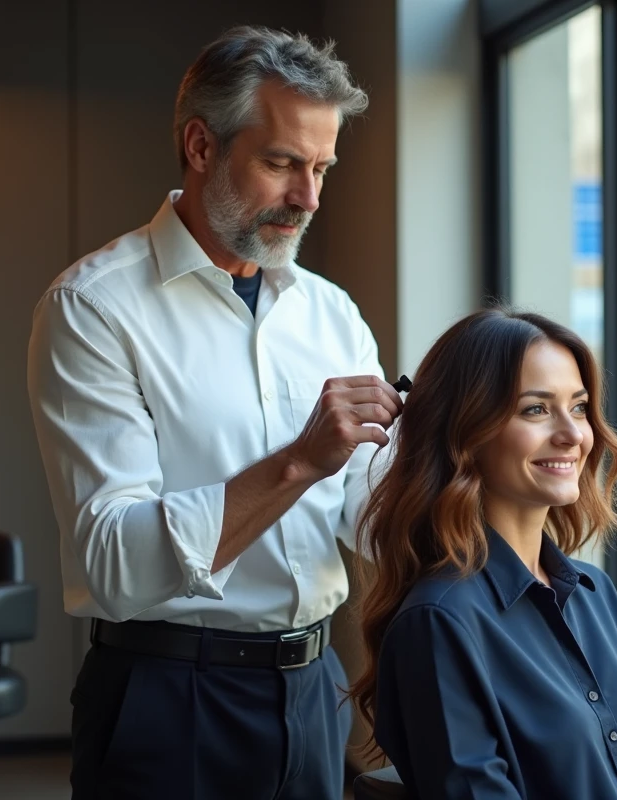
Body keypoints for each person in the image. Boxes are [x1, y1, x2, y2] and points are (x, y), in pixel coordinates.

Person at [26, 26, 400, 800]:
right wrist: (299, 462)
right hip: (166, 700)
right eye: (283, 164)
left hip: (316, 692)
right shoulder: (92, 308)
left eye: (322, 168)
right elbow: (115, 561)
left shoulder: (332, 314)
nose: (310, 198)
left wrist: (478, 471)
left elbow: (373, 511)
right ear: (201, 145)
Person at [349, 308, 617, 799]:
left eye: (578, 406)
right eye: (536, 409)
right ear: (465, 434)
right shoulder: (439, 623)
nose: (573, 434)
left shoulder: (594, 593)